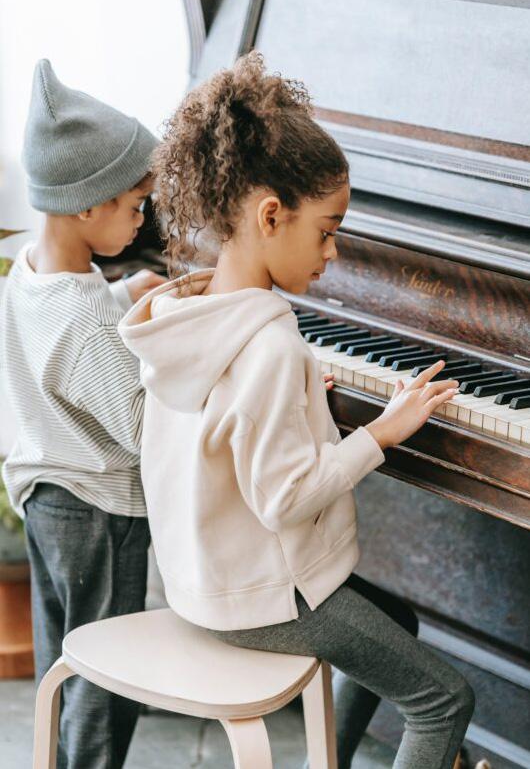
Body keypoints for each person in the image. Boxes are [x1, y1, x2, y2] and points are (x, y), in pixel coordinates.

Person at [119, 52, 474, 768]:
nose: (335, 251)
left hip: (204, 576)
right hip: (263, 598)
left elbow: (235, 428)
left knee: (397, 620)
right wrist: (381, 431)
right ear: (270, 215)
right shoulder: (270, 346)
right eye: (327, 230)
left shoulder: (187, 312)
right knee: (445, 699)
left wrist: (309, 406)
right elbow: (284, 499)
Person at [1, 59, 166, 768]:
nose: (141, 219)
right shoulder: (79, 317)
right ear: (86, 204)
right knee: (109, 675)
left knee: (63, 659)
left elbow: (65, 350)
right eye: (134, 205)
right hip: (98, 506)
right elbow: (140, 425)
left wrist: (129, 297)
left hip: (46, 493)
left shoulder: (34, 272)